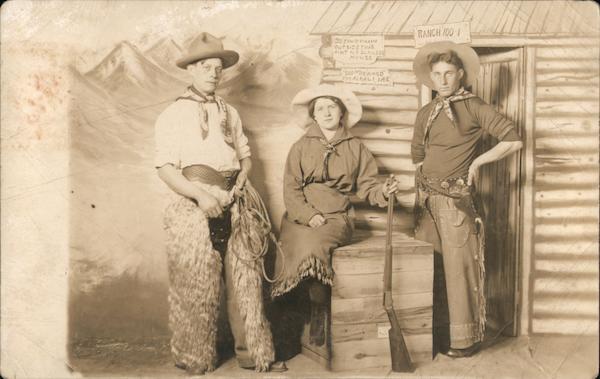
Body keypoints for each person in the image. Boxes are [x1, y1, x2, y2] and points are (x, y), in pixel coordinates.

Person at [154, 32, 284, 374]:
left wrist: (243, 179)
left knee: (245, 280)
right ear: (191, 71)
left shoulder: (230, 112)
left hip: (235, 201)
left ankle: (252, 353)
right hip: (193, 203)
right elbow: (165, 168)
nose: (213, 73)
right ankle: (194, 356)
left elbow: (245, 157)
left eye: (217, 68)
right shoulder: (173, 114)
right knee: (195, 282)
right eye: (205, 67)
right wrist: (200, 195)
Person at [411, 41, 523, 358]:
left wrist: (476, 164)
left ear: (460, 74)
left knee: (460, 272)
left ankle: (465, 341)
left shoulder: (474, 106)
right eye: (437, 74)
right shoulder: (426, 113)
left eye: (449, 73)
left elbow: (513, 140)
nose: (443, 80)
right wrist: (420, 193)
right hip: (426, 203)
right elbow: (418, 158)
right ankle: (431, 337)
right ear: (431, 78)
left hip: (456, 203)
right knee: (428, 269)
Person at [270, 84, 399, 346]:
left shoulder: (356, 148)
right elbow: (291, 187)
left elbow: (368, 187)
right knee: (287, 251)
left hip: (336, 217)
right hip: (299, 216)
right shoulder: (300, 146)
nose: (326, 112)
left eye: (331, 106)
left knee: (314, 247)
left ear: (341, 113)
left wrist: (383, 191)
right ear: (313, 116)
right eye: (320, 108)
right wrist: (307, 215)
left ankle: (319, 309)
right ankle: (288, 328)